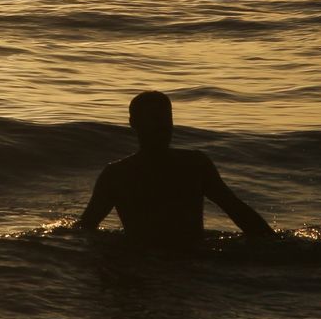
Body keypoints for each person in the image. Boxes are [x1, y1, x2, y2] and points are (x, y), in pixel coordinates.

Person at [75, 91, 275, 243]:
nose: (162, 126)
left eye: (165, 119)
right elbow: (87, 227)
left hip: (179, 261)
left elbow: (236, 210)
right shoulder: (117, 174)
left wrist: (272, 242)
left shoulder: (194, 164)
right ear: (134, 124)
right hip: (154, 262)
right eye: (154, 120)